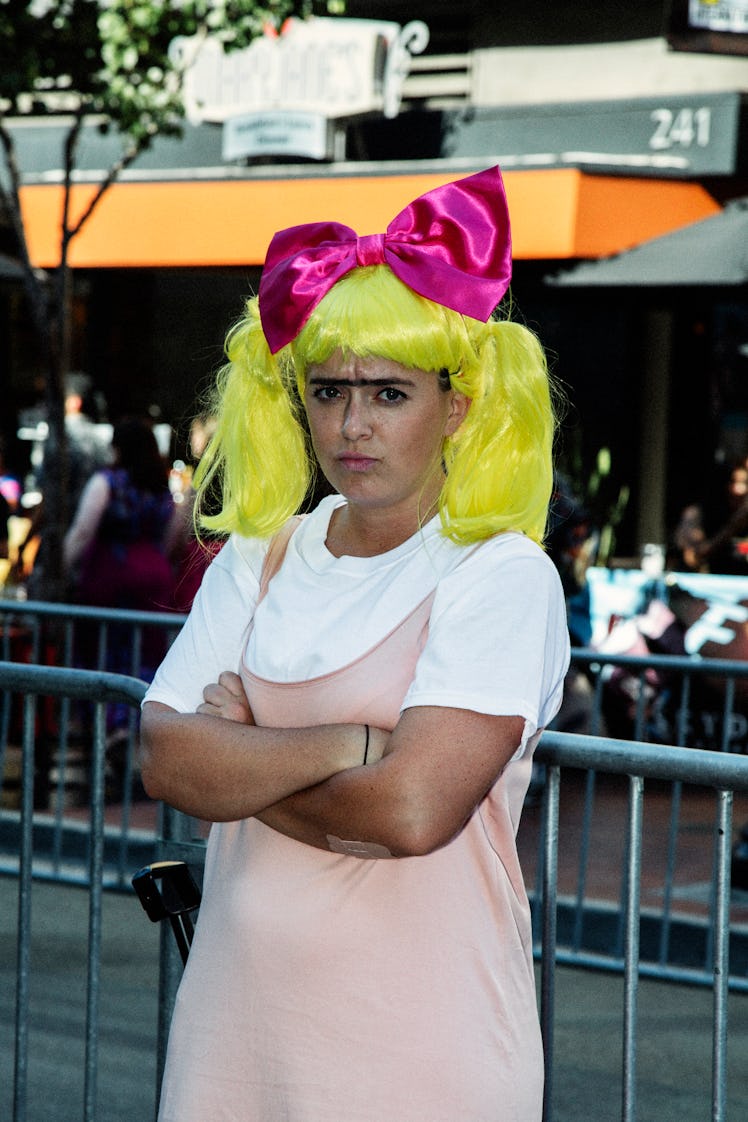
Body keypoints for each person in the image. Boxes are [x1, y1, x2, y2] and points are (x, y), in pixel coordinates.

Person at [139, 166, 570, 1122]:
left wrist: (245, 763)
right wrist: (351, 747)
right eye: (329, 390)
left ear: (456, 406)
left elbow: (413, 812)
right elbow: (167, 757)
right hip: (234, 1033)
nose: (352, 423)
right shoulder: (261, 554)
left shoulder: (498, 574)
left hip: (423, 1047)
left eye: (389, 392)